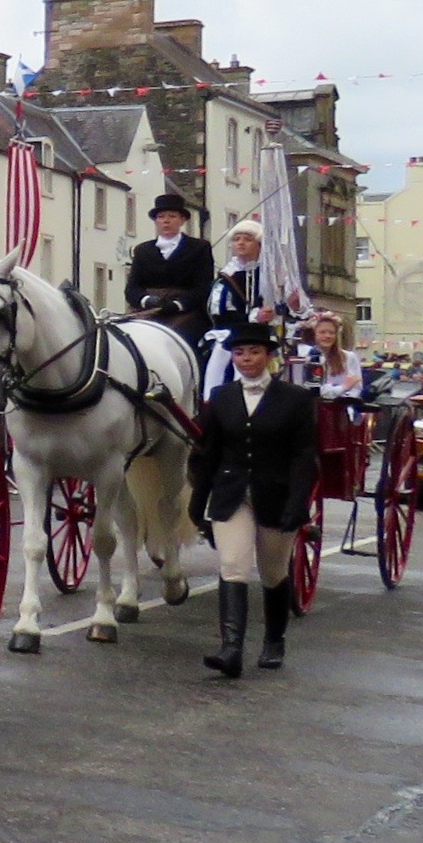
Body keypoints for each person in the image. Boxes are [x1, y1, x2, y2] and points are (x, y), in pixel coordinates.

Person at [189, 319, 319, 679]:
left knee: (274, 573)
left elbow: (303, 456)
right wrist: (198, 504)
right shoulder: (221, 398)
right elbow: (209, 454)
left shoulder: (295, 400)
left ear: (269, 356)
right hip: (231, 495)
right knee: (233, 566)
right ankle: (231, 649)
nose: (246, 359)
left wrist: (299, 503)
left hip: (276, 495)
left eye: (255, 352)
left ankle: (274, 639)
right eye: (240, 353)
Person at [203, 219, 293, 397]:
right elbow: (218, 312)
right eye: (236, 239)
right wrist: (253, 317)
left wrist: (278, 310)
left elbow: (287, 308)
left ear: (259, 245)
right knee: (216, 369)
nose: (241, 243)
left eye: (247, 239)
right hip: (232, 336)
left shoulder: (272, 276)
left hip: (264, 338)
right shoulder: (226, 277)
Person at [126, 192, 216, 344]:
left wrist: (177, 304)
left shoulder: (199, 247)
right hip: (148, 311)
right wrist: (146, 300)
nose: (166, 221)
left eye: (172, 216)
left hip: (186, 312)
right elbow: (132, 288)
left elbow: (203, 287)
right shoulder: (142, 250)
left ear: (182, 220)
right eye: (161, 217)